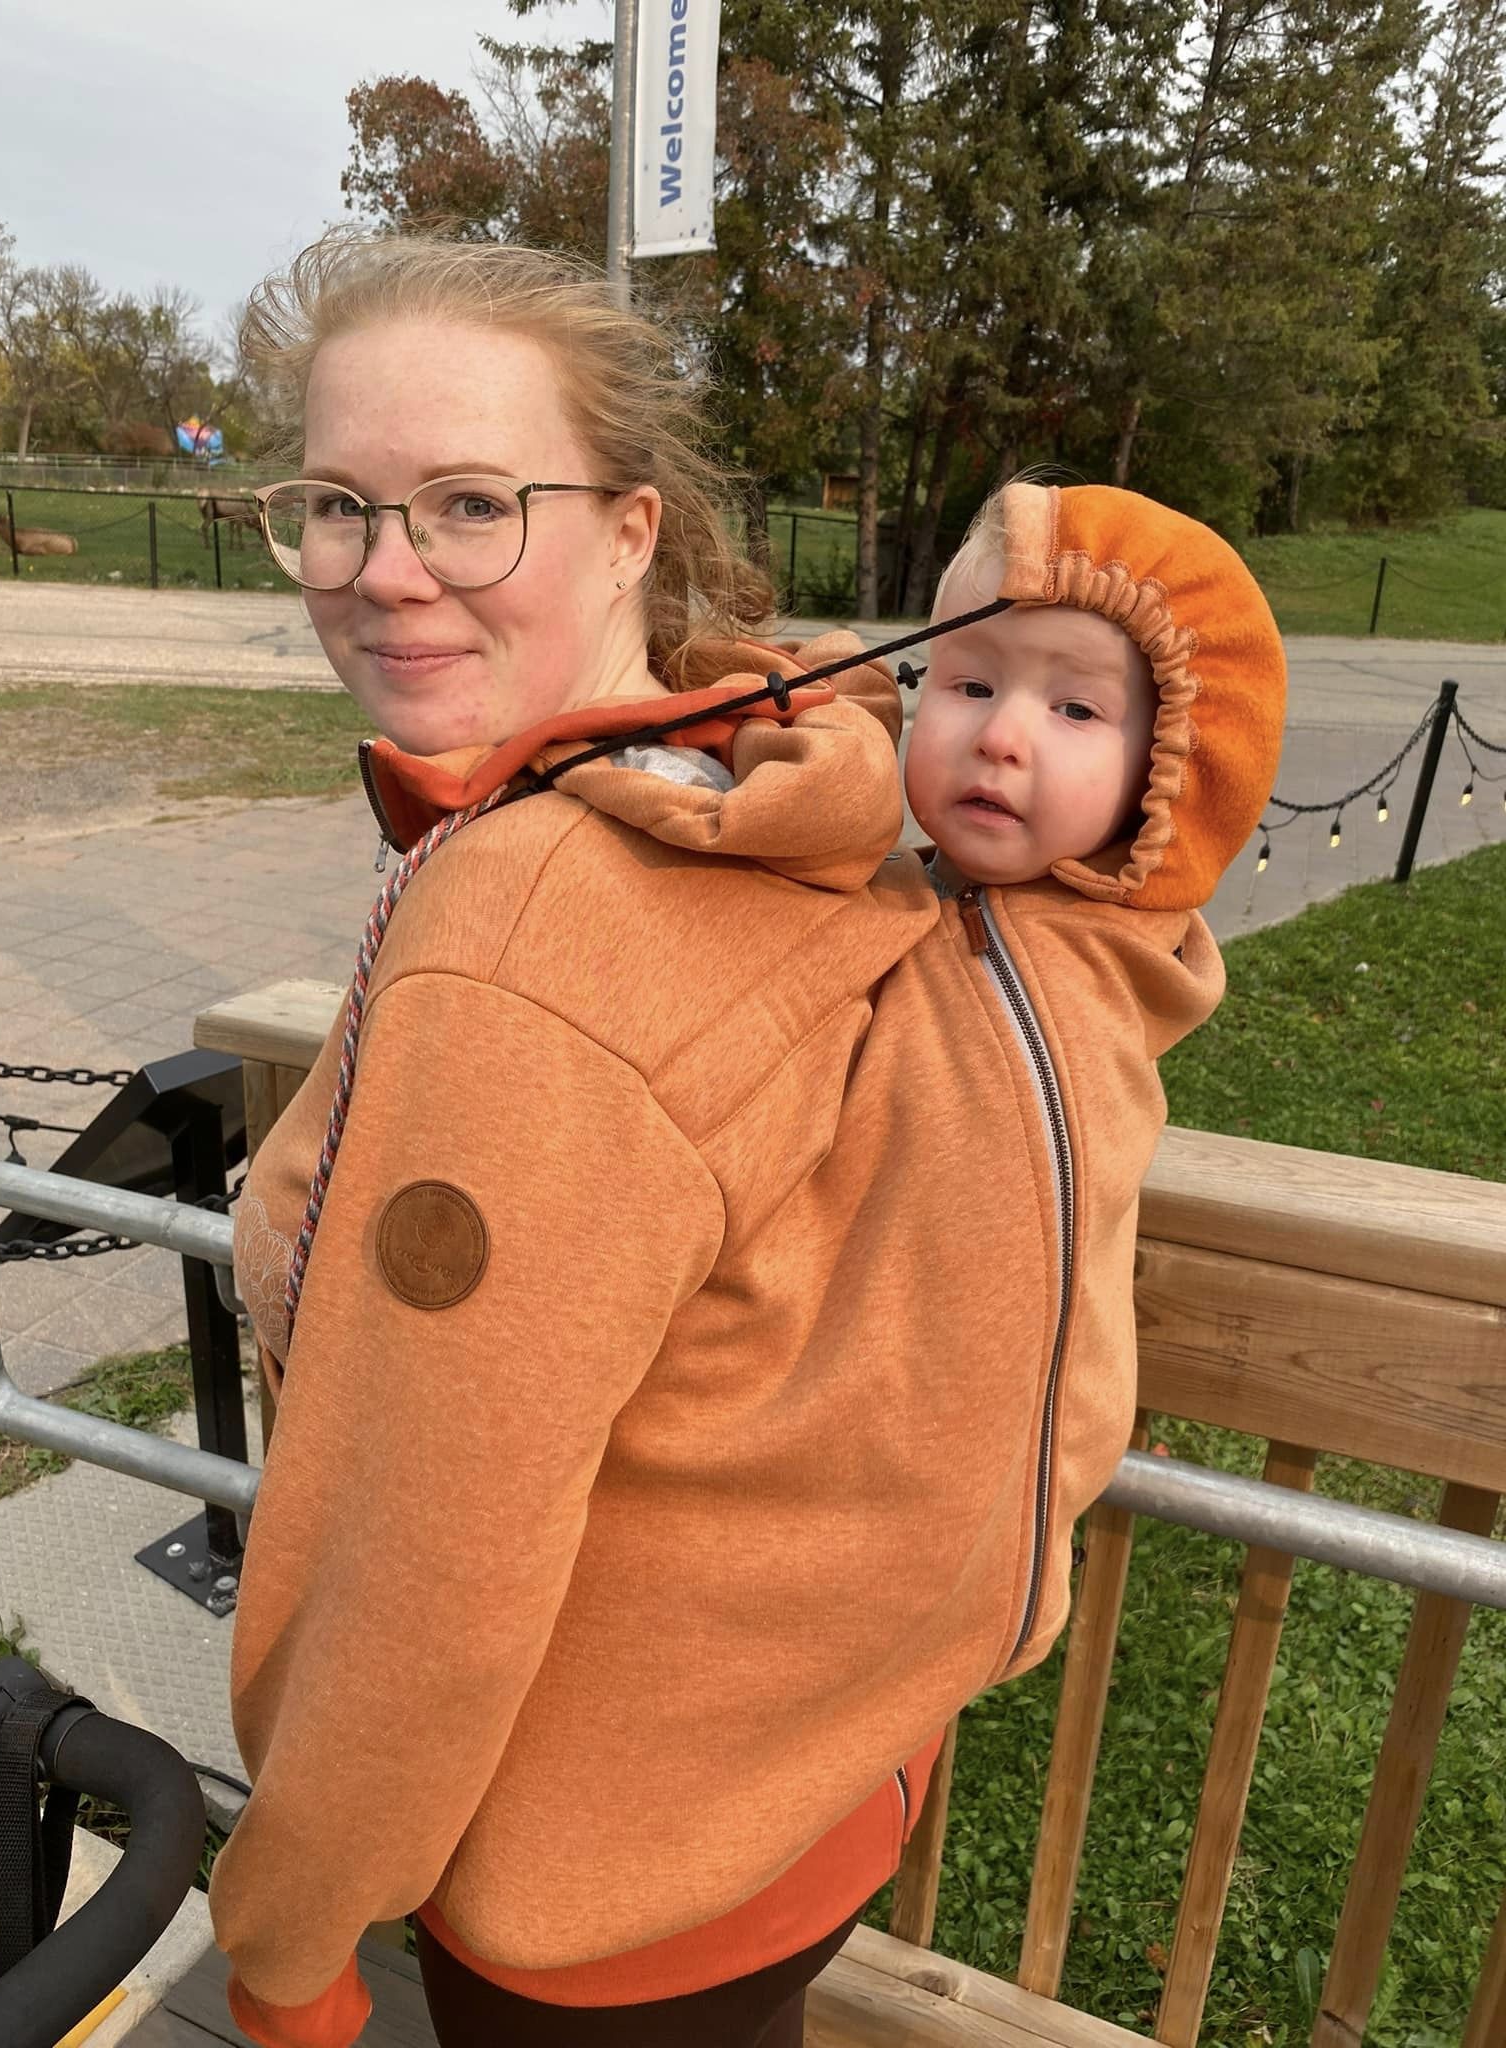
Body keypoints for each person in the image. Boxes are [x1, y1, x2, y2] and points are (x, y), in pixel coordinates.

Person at [210, 226, 1285, 2048]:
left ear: (632, 530)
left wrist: (293, 1929)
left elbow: (430, 1549)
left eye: (471, 505)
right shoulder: (779, 768)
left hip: (602, 1890)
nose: (384, 576)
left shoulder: (538, 920)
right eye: (334, 505)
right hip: (807, 1787)